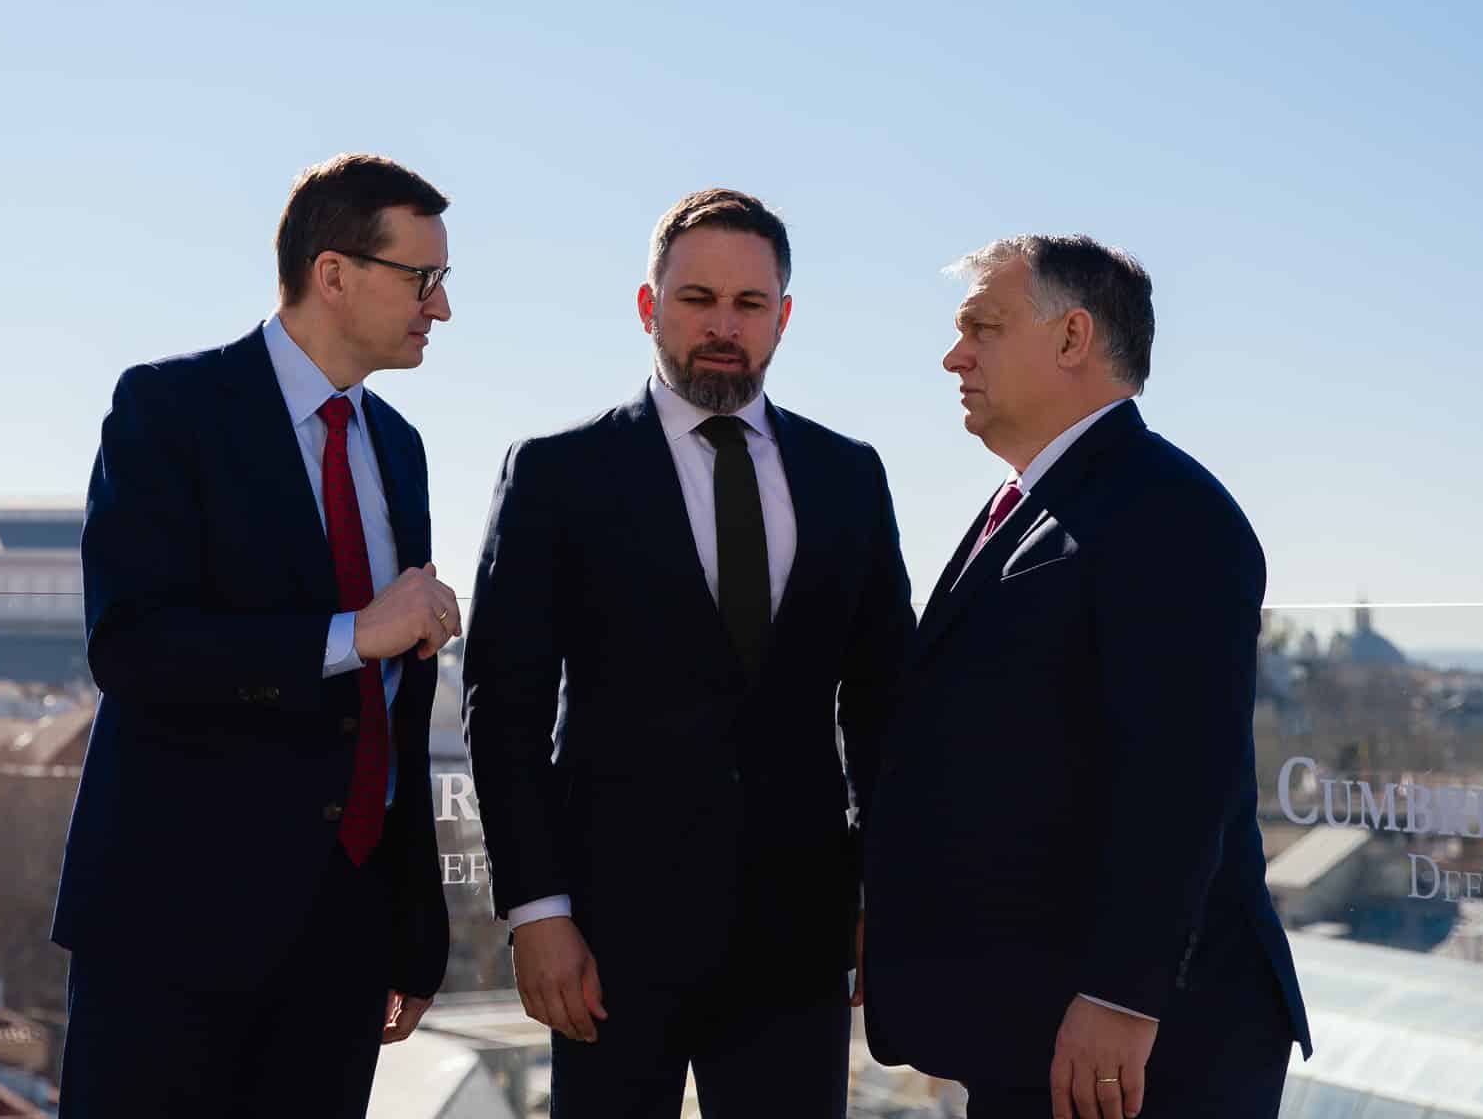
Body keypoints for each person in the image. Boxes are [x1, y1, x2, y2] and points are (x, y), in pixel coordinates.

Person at [463, 188, 914, 1118]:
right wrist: (537, 913)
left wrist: (886, 893)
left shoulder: (848, 476)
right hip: (607, 941)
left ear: (784, 319)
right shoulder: (556, 474)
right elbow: (501, 708)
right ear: (648, 306)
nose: (723, 326)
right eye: (697, 298)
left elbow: (882, 705)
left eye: (750, 305)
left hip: (800, 938)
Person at [862, 235, 1311, 1118]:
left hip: (1145, 1049)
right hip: (1036, 1029)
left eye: (982, 328)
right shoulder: (1037, 506)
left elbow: (1179, 779)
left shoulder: (1169, 515)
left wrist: (1122, 995)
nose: (954, 356)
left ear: (1073, 338)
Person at [53, 154, 460, 1117]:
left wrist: (412, 930)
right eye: (423, 279)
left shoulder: (400, 447)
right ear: (334, 274)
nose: (440, 309)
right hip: (173, 932)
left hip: (344, 945)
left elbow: (389, 717)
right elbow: (133, 647)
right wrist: (352, 632)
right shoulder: (168, 408)